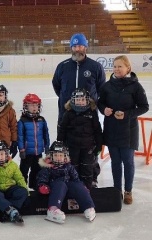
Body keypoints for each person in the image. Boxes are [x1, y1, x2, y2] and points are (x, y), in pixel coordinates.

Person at [52, 32, 106, 186]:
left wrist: (90, 105)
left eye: (80, 45)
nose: (77, 49)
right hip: (66, 115)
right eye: (74, 46)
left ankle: (92, 177)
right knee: (67, 148)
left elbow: (101, 89)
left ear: (85, 47)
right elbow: (57, 86)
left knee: (90, 148)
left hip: (89, 117)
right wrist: (67, 102)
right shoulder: (62, 66)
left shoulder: (95, 67)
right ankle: (69, 176)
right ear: (71, 48)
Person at [97, 55, 149, 205]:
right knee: (115, 162)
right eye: (114, 66)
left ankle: (128, 191)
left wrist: (127, 114)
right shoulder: (107, 86)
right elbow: (101, 103)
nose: (117, 69)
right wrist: (104, 110)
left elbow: (144, 107)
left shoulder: (135, 86)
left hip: (129, 130)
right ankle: (116, 190)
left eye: (120, 66)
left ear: (128, 68)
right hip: (112, 129)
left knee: (128, 162)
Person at [37, 141, 96, 224]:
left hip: (67, 188)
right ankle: (53, 210)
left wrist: (82, 187)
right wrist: (42, 186)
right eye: (56, 155)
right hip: (56, 190)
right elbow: (42, 178)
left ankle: (88, 207)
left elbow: (76, 178)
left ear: (65, 156)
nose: (58, 157)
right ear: (51, 156)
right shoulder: (48, 168)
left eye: (60, 155)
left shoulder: (69, 166)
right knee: (60, 184)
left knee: (78, 185)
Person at [57, 88, 103, 190]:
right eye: (78, 100)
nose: (80, 102)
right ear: (73, 100)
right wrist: (60, 143)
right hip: (72, 146)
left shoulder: (92, 113)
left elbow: (97, 130)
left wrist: (99, 145)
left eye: (82, 99)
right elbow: (62, 129)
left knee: (87, 167)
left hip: (88, 146)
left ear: (87, 100)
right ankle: (74, 186)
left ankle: (87, 187)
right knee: (73, 166)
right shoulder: (69, 113)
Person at [17, 93, 50, 190]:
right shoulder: (22, 121)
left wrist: (47, 147)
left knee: (36, 170)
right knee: (24, 170)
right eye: (31, 105)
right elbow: (20, 136)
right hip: (27, 152)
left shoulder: (42, 120)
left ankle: (34, 185)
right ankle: (22, 187)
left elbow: (46, 134)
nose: (34, 107)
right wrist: (22, 149)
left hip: (38, 152)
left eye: (36, 105)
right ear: (26, 106)